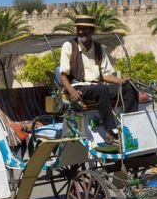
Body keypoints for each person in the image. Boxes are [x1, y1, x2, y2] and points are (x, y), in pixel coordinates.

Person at [59, 14, 138, 145]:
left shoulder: (99, 49)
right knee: (101, 89)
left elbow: (106, 75)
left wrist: (121, 81)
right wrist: (71, 91)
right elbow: (63, 74)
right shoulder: (69, 46)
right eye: (79, 28)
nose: (80, 32)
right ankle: (110, 131)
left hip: (98, 87)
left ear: (92, 31)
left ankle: (130, 128)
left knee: (129, 88)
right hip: (79, 87)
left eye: (84, 29)